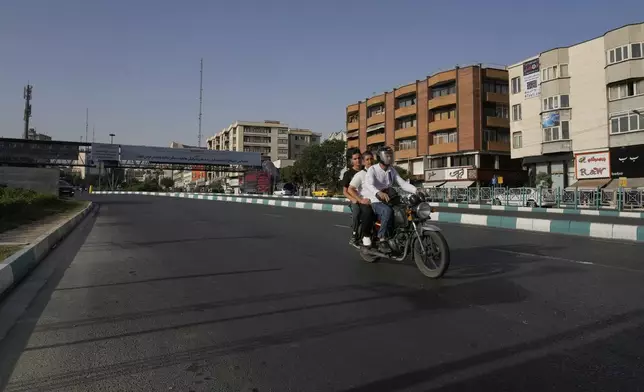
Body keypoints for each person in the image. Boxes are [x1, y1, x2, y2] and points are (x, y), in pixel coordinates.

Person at [364, 146, 418, 252]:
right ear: (380, 157)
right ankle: (382, 238)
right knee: (387, 211)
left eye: (390, 156)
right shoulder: (373, 169)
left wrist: (416, 191)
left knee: (405, 209)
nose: (389, 158)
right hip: (375, 200)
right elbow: (369, 185)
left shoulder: (391, 170)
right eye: (386, 156)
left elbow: (402, 183)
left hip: (388, 198)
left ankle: (400, 233)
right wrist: (378, 192)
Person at [346, 151, 376, 246]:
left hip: (375, 200)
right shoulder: (352, 174)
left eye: (371, 159)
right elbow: (347, 190)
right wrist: (357, 200)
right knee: (358, 213)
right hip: (358, 200)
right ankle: (356, 235)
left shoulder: (377, 172)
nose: (357, 160)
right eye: (367, 159)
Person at [341, 148, 363, 245]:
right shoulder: (348, 174)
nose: (357, 160)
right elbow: (345, 191)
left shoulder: (367, 171)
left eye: (359, 158)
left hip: (367, 198)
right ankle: (354, 235)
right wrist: (353, 199)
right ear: (351, 161)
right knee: (357, 212)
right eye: (355, 159)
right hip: (355, 200)